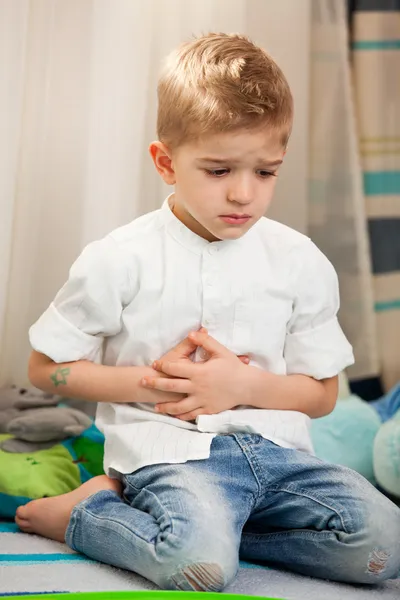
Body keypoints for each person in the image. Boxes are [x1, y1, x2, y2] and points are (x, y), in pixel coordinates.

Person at [16, 33, 400, 591]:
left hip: (279, 458)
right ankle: (88, 512)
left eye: (265, 172)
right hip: (173, 458)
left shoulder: (299, 261)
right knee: (197, 569)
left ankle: (216, 535)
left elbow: (320, 393)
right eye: (219, 171)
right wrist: (151, 382)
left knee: (381, 548)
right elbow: (43, 370)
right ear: (166, 163)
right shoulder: (118, 258)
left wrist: (241, 385)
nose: (245, 194)